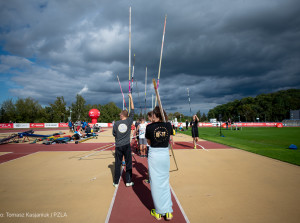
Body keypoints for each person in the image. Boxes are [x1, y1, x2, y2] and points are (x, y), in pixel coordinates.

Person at [146, 106, 173, 221]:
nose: (151, 117)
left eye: (153, 115)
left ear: (156, 115)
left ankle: (159, 211)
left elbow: (149, 142)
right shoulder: (168, 125)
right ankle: (168, 211)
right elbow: (170, 139)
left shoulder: (149, 127)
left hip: (155, 154)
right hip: (164, 154)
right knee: (165, 182)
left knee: (156, 183)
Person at [112, 94, 135, 187]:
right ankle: (128, 181)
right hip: (126, 145)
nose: (119, 116)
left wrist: (118, 136)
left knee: (118, 164)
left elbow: (114, 134)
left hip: (118, 145)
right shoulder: (129, 121)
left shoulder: (116, 123)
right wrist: (131, 98)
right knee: (128, 163)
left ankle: (116, 182)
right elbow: (133, 110)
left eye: (120, 114)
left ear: (122, 115)